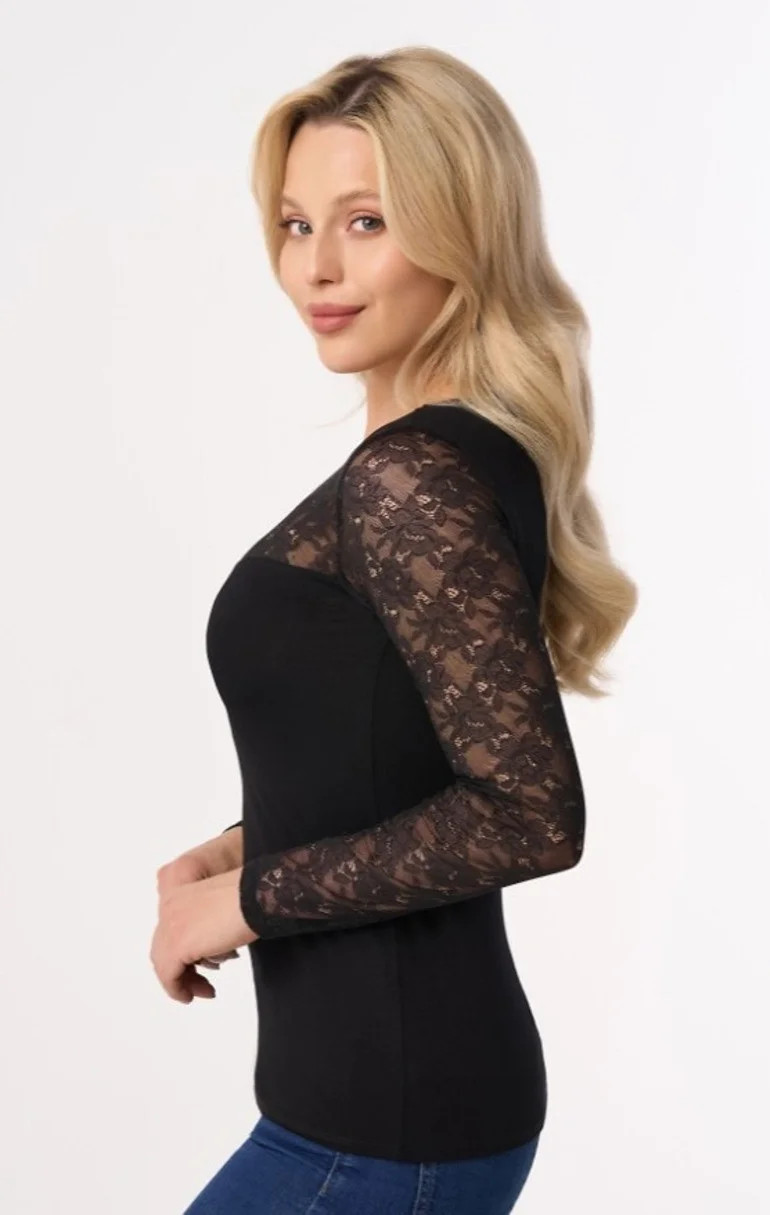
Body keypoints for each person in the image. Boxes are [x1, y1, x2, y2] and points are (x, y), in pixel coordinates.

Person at [151, 45, 638, 1215]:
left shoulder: (414, 479)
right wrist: (244, 844)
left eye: (366, 222)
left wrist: (249, 899)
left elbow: (528, 812)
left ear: (462, 231)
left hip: (382, 1133)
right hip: (370, 1114)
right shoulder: (431, 463)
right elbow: (395, 758)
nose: (316, 266)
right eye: (296, 224)